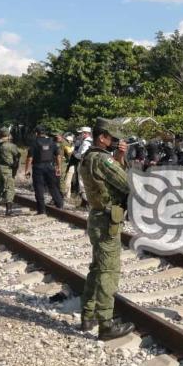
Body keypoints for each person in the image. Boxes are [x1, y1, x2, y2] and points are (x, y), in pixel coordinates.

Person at [78, 118, 135, 341]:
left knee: (97, 268)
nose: (115, 141)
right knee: (108, 272)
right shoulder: (103, 160)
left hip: (97, 217)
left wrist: (119, 157)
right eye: (112, 137)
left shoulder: (88, 157)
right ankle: (106, 324)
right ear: (102, 137)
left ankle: (88, 315)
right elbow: (127, 184)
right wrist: (122, 161)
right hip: (107, 221)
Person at [24, 125, 64, 214]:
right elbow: (58, 156)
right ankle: (60, 205)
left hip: (38, 167)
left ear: (36, 133)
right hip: (50, 167)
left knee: (39, 188)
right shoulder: (51, 142)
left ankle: (41, 210)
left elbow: (30, 158)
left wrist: (27, 170)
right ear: (44, 132)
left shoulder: (34, 143)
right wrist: (59, 167)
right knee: (53, 186)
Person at [0, 127, 20, 217]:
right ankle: (8, 211)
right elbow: (17, 155)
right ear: (8, 134)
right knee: (9, 188)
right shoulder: (10, 145)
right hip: (7, 169)